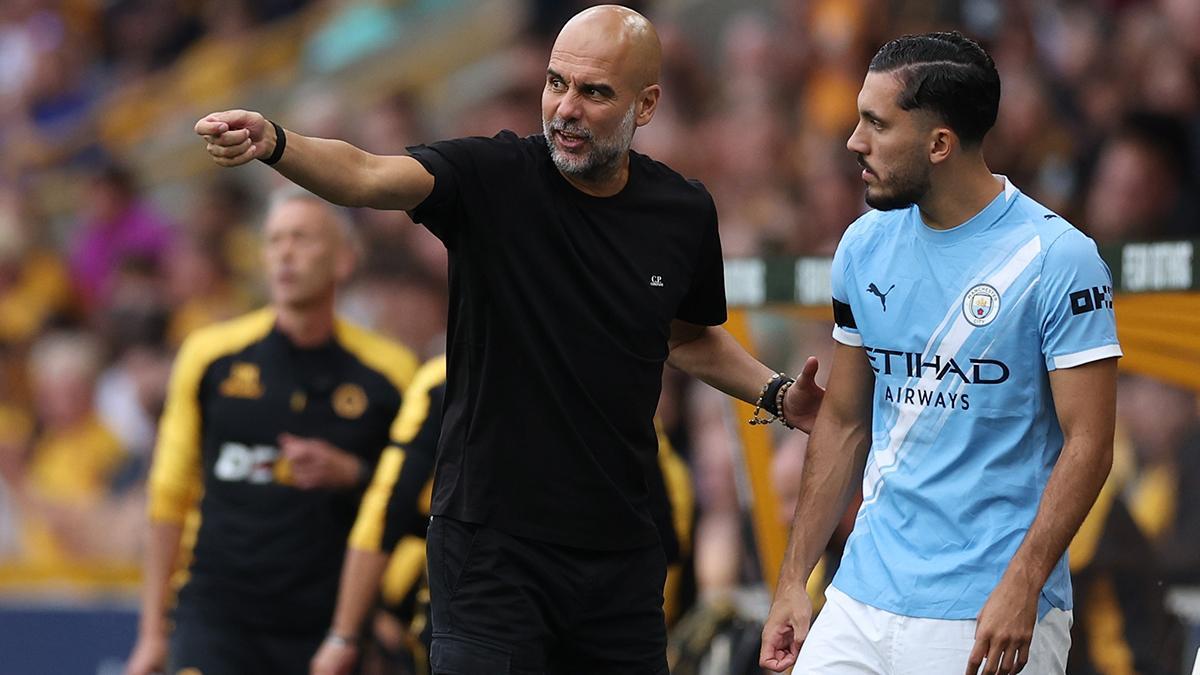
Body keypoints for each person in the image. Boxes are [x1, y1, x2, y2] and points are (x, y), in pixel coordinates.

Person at [195, 5, 824, 673]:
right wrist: (277, 142)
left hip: (618, 558)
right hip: (490, 550)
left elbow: (687, 336)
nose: (566, 108)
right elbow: (366, 176)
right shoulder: (491, 178)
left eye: (594, 91)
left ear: (647, 104)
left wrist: (779, 394)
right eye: (557, 83)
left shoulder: (683, 211)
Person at [759, 31, 1121, 675]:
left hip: (989, 610)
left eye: (875, 123)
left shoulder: (1058, 258)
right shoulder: (862, 246)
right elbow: (843, 422)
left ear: (939, 144)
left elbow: (1090, 443)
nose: (854, 142)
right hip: (861, 599)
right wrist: (794, 581)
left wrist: (1024, 584)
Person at [124, 188, 419, 675]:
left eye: (302, 239)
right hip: (217, 616)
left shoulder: (391, 374)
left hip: (325, 623)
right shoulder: (210, 357)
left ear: (343, 261)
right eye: (275, 240)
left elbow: (411, 502)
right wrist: (152, 634)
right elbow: (168, 497)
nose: (285, 253)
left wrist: (353, 473)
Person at [309, 355, 697, 675]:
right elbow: (666, 531)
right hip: (586, 631)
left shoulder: (448, 376)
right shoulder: (611, 376)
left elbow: (385, 510)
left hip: (487, 624)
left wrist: (344, 634)